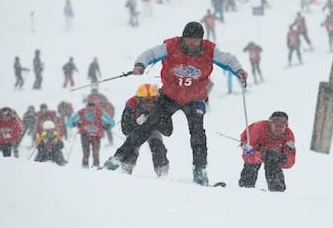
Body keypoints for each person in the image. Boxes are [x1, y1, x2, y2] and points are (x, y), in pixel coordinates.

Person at [104, 21, 248, 186]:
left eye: (196, 40)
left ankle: (200, 170)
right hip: (169, 96)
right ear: (183, 37)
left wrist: (239, 70)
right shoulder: (171, 46)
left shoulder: (209, 49)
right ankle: (117, 158)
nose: (192, 43)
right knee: (147, 127)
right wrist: (139, 65)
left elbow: (228, 60)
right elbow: (150, 54)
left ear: (201, 39)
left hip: (195, 99)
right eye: (188, 39)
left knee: (198, 134)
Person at [239, 111, 296, 192]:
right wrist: (261, 155)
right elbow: (248, 155)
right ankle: (245, 187)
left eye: (281, 127)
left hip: (273, 152)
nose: (278, 129)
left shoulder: (289, 136)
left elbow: (291, 160)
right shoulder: (258, 129)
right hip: (253, 145)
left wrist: (281, 160)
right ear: (270, 124)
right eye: (276, 126)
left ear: (286, 126)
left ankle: (277, 191)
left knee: (273, 161)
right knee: (252, 164)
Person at [120, 84, 170, 176]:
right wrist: (138, 125)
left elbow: (168, 131)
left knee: (158, 145)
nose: (149, 105)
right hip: (136, 129)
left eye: (152, 101)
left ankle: (162, 171)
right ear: (138, 100)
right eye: (145, 101)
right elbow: (125, 129)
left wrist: (157, 121)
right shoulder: (131, 105)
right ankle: (126, 169)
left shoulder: (161, 105)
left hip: (153, 129)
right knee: (133, 146)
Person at [68, 102, 115, 168]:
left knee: (86, 153)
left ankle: (85, 166)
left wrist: (75, 124)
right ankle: (95, 166)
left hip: (85, 134)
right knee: (95, 153)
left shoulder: (81, 112)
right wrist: (107, 126)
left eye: (91, 110)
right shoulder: (100, 112)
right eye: (88, 110)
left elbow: (69, 123)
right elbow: (112, 122)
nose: (90, 111)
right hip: (95, 135)